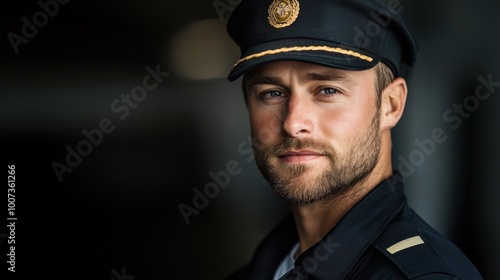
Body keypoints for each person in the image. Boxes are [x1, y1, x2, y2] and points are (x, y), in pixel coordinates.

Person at [224, 0, 484, 279]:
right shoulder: (262, 268)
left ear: (391, 105)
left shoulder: (426, 275)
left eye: (327, 90)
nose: (293, 123)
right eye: (272, 93)